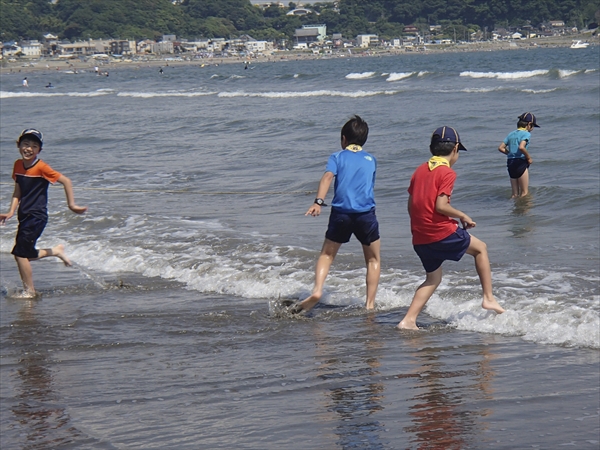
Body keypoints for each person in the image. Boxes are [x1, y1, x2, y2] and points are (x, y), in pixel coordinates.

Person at [397, 126, 504, 330]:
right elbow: (441, 206)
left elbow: (411, 206)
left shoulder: (419, 170)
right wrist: (463, 215)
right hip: (440, 233)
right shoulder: (447, 172)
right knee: (481, 248)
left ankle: (408, 320)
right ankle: (489, 298)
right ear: (455, 148)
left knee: (433, 278)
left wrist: (421, 226)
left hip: (420, 237)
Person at [291, 115, 381, 313]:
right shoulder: (371, 159)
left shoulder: (337, 157)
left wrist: (318, 202)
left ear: (343, 139)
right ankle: (370, 306)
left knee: (327, 254)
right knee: (373, 260)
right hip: (366, 215)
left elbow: (327, 177)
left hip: (341, 214)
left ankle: (317, 291)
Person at [0, 129, 88, 297]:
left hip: (37, 216)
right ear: (19, 146)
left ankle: (30, 291)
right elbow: (18, 190)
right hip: (24, 215)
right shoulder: (18, 165)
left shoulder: (41, 167)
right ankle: (55, 251)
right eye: (26, 144)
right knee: (25, 254)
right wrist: (11, 211)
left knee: (20, 254)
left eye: (34, 146)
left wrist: (72, 205)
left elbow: (66, 181)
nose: (29, 148)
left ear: (39, 150)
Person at [498, 112, 540, 198]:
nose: (532, 129)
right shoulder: (526, 134)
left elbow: (501, 148)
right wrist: (528, 158)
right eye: (533, 126)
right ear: (529, 124)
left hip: (510, 162)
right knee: (524, 192)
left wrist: (510, 153)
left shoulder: (511, 134)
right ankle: (525, 210)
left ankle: (514, 209)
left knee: (514, 194)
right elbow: (521, 147)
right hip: (520, 162)